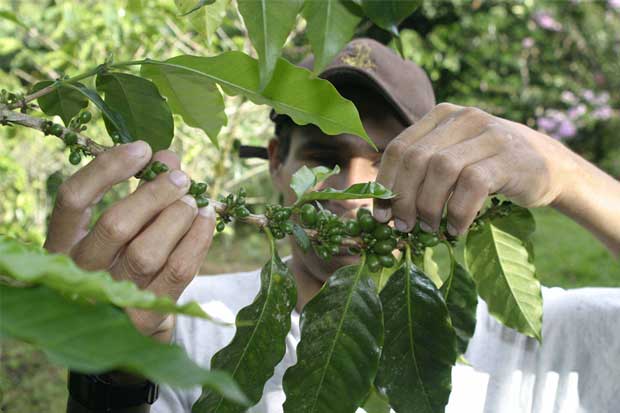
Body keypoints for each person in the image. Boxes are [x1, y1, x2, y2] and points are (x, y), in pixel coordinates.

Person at [49, 38, 620, 413]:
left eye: (390, 162)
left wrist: (566, 175)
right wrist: (112, 375)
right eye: (325, 159)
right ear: (277, 161)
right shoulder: (186, 323)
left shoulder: (537, 338)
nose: (353, 190)